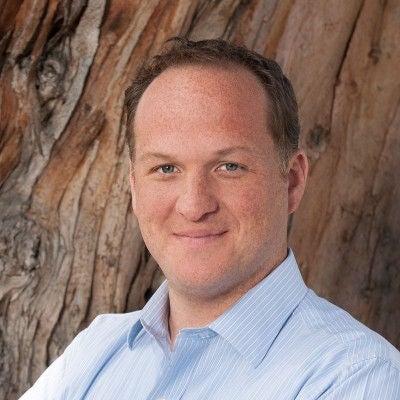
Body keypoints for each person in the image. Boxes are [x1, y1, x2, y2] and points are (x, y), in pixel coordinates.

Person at [21, 38, 400, 399]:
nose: (194, 205)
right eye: (166, 168)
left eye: (229, 166)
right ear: (134, 188)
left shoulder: (357, 376)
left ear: (292, 181)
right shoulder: (96, 350)